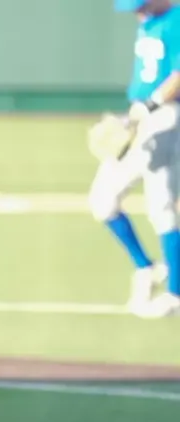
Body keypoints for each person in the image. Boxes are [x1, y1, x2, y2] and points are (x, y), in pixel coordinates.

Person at [88, 0, 180, 318]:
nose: (136, 11)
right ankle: (146, 267)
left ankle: (175, 294)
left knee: (161, 205)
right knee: (102, 200)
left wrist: (152, 104)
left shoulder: (177, 18)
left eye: (140, 4)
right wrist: (135, 113)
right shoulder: (148, 20)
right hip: (140, 112)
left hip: (166, 116)